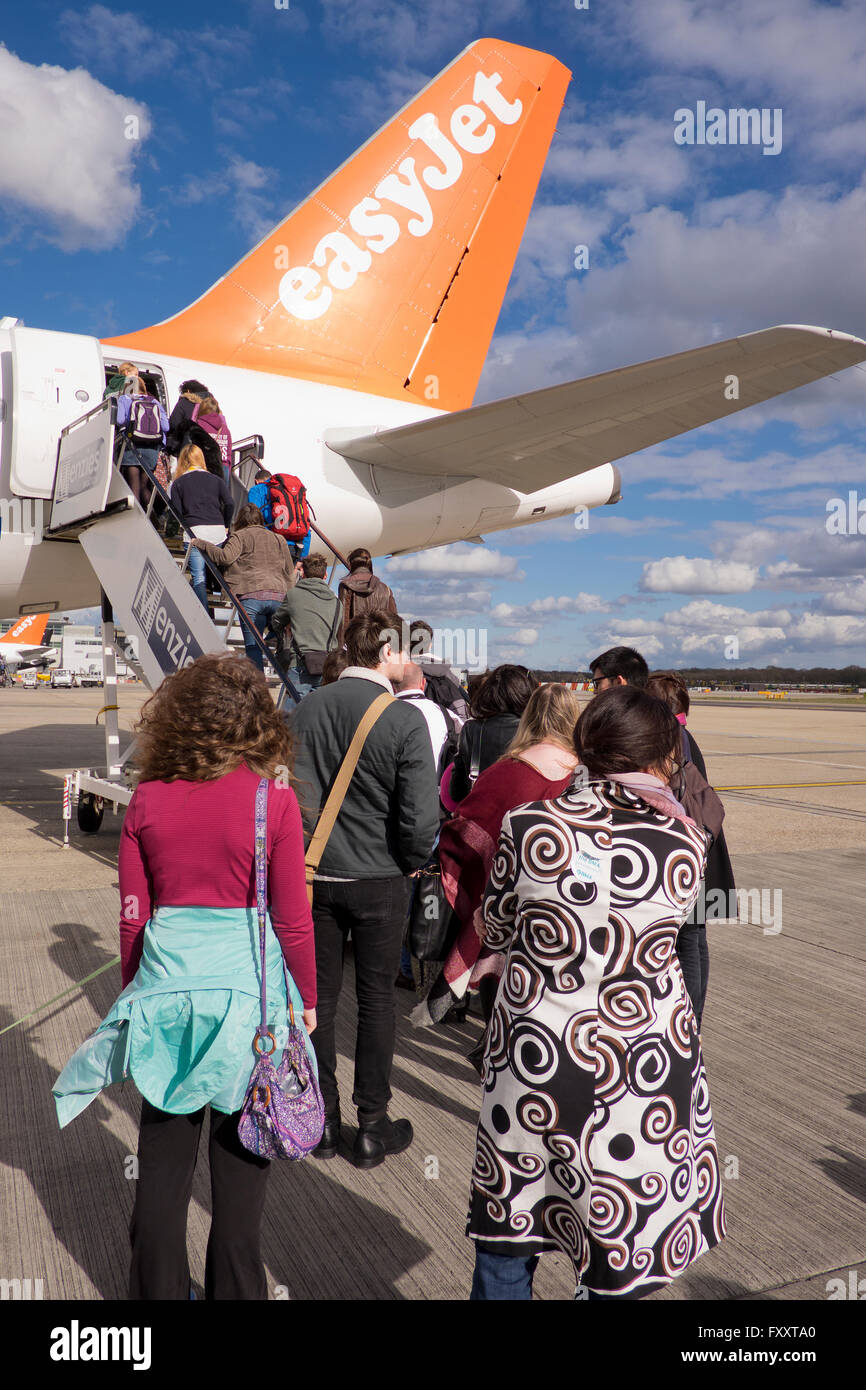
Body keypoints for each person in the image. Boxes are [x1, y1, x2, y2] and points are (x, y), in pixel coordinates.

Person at [52, 653, 316, 1300]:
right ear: (256, 719)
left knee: (162, 1179)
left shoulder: (146, 799)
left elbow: (133, 916)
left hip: (166, 996)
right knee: (239, 1186)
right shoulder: (271, 797)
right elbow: (293, 920)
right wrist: (305, 999)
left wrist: (135, 995)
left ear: (177, 719)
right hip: (248, 1009)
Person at [467, 685, 726, 1299]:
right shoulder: (686, 840)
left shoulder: (528, 826)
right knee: (625, 1234)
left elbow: (496, 927)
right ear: (663, 755)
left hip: (537, 1055)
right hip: (640, 1065)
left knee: (511, 1231)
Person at [289, 610, 439, 1168]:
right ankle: (371, 1125)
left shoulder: (306, 707)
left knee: (317, 1002)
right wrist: (408, 862)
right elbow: (421, 820)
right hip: (379, 881)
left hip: (313, 878)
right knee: (377, 1001)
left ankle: (323, 1122)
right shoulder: (403, 721)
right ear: (383, 654)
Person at [415, 684, 581, 1036]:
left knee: (501, 1001)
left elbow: (464, 829)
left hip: (510, 911)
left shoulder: (505, 771)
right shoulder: (587, 774)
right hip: (572, 910)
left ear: (529, 717)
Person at [645, 671, 736, 1030]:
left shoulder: (667, 737)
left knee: (687, 941)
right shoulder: (683, 733)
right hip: (704, 847)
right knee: (696, 940)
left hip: (686, 850)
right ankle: (693, 1019)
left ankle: (690, 1021)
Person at [192, 504, 298, 671]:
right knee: (283, 639)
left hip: (251, 595)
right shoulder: (279, 539)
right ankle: (279, 646)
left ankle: (258, 686)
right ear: (260, 519)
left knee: (253, 646)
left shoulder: (239, 536)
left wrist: (203, 544)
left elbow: (225, 558)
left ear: (241, 519)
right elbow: (290, 570)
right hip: (278, 596)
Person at [444, 665, 538, 807]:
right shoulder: (538, 730)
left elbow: (457, 792)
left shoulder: (471, 729)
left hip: (482, 817)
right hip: (525, 820)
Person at [170, 444, 234, 611]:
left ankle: (204, 614)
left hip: (194, 531)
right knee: (218, 567)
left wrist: (184, 524)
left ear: (182, 461)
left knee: (199, 576)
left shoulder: (178, 483)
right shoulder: (217, 480)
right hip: (217, 531)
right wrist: (226, 525)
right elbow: (229, 503)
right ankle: (225, 592)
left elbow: (175, 511)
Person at [271, 552, 343, 698]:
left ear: (303, 573)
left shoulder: (293, 595)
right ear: (325, 575)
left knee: (292, 714)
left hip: (299, 663)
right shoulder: (337, 603)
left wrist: (287, 628)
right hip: (328, 665)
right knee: (320, 715)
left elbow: (276, 622)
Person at [115, 379, 170, 510]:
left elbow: (119, 420)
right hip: (152, 448)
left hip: (132, 446)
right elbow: (166, 427)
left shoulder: (124, 398)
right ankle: (153, 520)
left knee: (134, 485)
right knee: (145, 486)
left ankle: (135, 520)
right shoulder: (154, 401)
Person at [409, 620, 470, 724]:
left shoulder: (403, 672)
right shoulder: (446, 672)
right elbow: (466, 699)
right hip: (447, 728)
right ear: (430, 645)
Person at [394, 662, 451, 772]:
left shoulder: (381, 713)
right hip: (436, 785)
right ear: (423, 683)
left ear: (393, 686)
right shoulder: (447, 715)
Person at [337, 548, 397, 637]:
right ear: (369, 564)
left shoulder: (346, 586)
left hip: (357, 644)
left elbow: (343, 622)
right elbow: (394, 622)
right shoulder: (385, 589)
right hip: (381, 645)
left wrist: (340, 648)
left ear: (351, 564)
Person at [191, 392, 234, 481]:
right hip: (223, 468)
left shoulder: (199, 425)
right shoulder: (224, 428)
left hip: (206, 467)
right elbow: (229, 452)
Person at [165, 380, 209, 456]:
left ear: (188, 391)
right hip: (205, 447)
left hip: (185, 447)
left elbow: (174, 423)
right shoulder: (210, 403)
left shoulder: (184, 402)